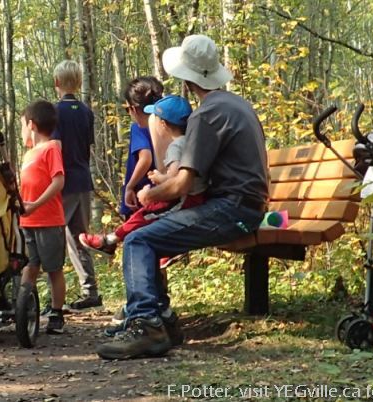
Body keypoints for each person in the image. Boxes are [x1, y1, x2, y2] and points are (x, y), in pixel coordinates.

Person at [96, 34, 269, 360]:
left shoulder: (207, 115)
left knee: (139, 241)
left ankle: (147, 325)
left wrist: (149, 194)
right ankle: (161, 320)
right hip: (246, 205)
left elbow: (181, 185)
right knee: (149, 237)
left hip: (233, 209)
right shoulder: (235, 104)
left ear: (187, 79)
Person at [78, 95, 206, 257]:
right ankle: (111, 239)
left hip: (188, 199)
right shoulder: (192, 141)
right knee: (149, 214)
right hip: (196, 195)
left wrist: (159, 179)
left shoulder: (176, 146)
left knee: (146, 214)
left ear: (163, 124)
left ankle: (109, 241)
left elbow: (175, 179)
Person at [51, 60, 101, 311]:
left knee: (53, 236)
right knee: (79, 236)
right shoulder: (86, 112)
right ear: (79, 82)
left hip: (62, 181)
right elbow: (87, 147)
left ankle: (55, 298)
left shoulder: (54, 113)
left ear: (56, 82)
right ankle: (90, 290)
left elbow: (55, 148)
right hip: (83, 179)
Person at [19, 100, 67, 334]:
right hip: (27, 221)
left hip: (48, 220)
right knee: (29, 265)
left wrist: (36, 204)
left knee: (53, 268)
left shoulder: (51, 149)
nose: (22, 131)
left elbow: (58, 181)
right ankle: (24, 307)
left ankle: (57, 313)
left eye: (22, 126)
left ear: (32, 125)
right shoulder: (28, 154)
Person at [119, 76, 163, 220]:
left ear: (133, 109)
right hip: (163, 195)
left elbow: (145, 158)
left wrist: (130, 186)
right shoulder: (167, 126)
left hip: (141, 198)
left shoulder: (138, 128)